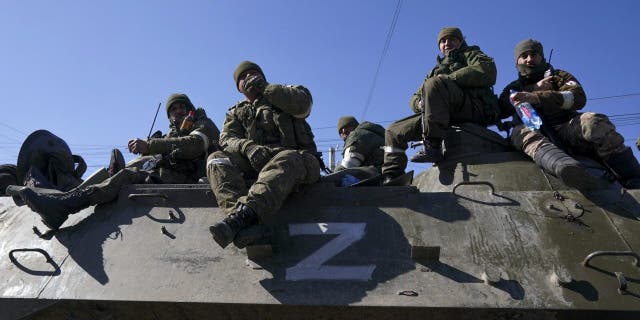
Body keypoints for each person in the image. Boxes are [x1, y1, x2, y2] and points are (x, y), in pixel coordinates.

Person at [12, 93, 220, 229]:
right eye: (173, 109)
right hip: (163, 181)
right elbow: (155, 158)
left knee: (128, 175)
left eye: (182, 107)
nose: (178, 111)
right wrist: (148, 154)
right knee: (128, 172)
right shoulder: (168, 136)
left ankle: (65, 205)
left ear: (189, 109)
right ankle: (68, 194)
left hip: (189, 184)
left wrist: (151, 145)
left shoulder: (204, 125)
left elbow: (193, 144)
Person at [498, 39, 640, 189]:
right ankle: (567, 169)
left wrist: (539, 96)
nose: (529, 59)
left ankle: (633, 177)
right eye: (524, 56)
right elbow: (500, 110)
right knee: (519, 132)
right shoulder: (513, 88)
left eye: (534, 54)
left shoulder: (559, 77)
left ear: (541, 57)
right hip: (535, 136)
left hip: (566, 128)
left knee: (593, 122)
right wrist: (532, 89)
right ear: (517, 61)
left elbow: (578, 98)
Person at [207, 61, 320, 249]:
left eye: (253, 73)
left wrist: (265, 88)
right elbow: (226, 139)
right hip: (258, 163)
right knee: (216, 158)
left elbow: (302, 106)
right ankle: (244, 224)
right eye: (242, 78)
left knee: (287, 157)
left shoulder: (286, 92)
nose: (248, 78)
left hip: (300, 161)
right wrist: (248, 147)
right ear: (239, 88)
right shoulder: (236, 112)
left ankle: (241, 219)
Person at [380, 27, 501, 185]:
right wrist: (419, 103)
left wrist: (449, 79)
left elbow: (487, 71)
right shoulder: (435, 70)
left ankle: (433, 146)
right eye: (443, 41)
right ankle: (392, 176)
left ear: (460, 41)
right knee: (394, 130)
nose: (447, 43)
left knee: (435, 84)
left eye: (452, 39)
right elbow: (415, 97)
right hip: (438, 114)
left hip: (471, 107)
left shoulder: (471, 54)